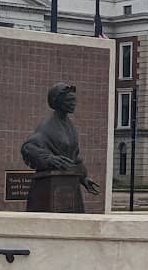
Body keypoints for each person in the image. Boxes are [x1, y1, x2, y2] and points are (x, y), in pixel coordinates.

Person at [21, 82, 100, 210]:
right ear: (57, 102)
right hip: (49, 186)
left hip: (69, 185)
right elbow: (28, 148)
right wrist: (49, 159)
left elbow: (75, 157)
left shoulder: (70, 126)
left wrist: (83, 178)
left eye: (74, 100)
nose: (74, 103)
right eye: (69, 100)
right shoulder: (47, 126)